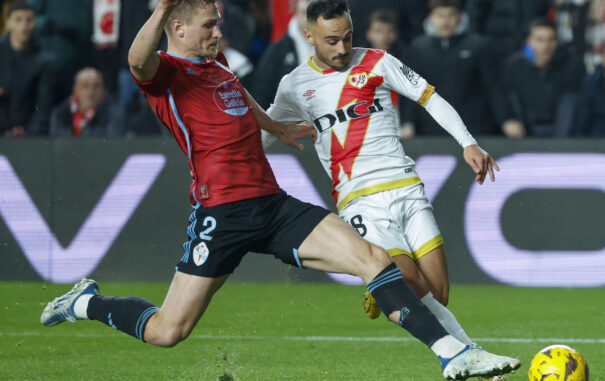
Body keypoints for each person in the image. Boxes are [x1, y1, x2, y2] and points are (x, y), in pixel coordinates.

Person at [40, 1, 519, 380]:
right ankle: (86, 302)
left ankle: (454, 355)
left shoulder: (216, 64)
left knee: (375, 260)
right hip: (222, 213)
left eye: (218, 23)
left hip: (271, 204)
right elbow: (135, 60)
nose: (218, 32)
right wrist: (162, 8)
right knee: (169, 331)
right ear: (179, 27)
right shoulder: (165, 73)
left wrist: (277, 128)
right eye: (208, 25)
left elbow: (238, 94)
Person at [264, 1, 519, 379]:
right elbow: (265, 134)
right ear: (309, 37)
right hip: (360, 201)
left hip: (407, 187)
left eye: (347, 38)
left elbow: (429, 97)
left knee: (436, 294)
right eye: (331, 40)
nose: (341, 49)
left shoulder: (378, 61)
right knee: (413, 285)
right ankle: (472, 357)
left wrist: (467, 142)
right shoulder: (294, 86)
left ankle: (381, 289)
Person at [400, 0, 514, 137]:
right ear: (431, 18)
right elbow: (411, 88)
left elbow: (494, 86)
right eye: (440, 15)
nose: (445, 21)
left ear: (460, 16)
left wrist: (506, 119)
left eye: (451, 15)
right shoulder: (418, 48)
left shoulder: (479, 45)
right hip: (431, 129)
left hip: (474, 128)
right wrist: (408, 122)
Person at [503, 18, 585, 137]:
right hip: (525, 132)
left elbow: (568, 107)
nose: (546, 46)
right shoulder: (514, 66)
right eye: (540, 40)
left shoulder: (571, 66)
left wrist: (560, 143)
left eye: (551, 39)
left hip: (561, 133)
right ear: (529, 41)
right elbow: (513, 101)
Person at [0, 1, 54, 137]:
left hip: (27, 137)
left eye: (29, 20)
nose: (24, 25)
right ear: (8, 23)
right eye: (18, 19)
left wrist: (29, 135)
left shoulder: (44, 61)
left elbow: (43, 107)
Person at [251, 0, 313, 108]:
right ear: (295, 6)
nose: (309, 5)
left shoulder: (338, 45)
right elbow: (260, 98)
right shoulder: (277, 51)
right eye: (306, 1)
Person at [49, 67, 123, 138]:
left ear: (102, 89)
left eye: (96, 86)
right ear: (76, 89)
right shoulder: (60, 114)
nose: (91, 92)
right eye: (85, 86)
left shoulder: (115, 114)